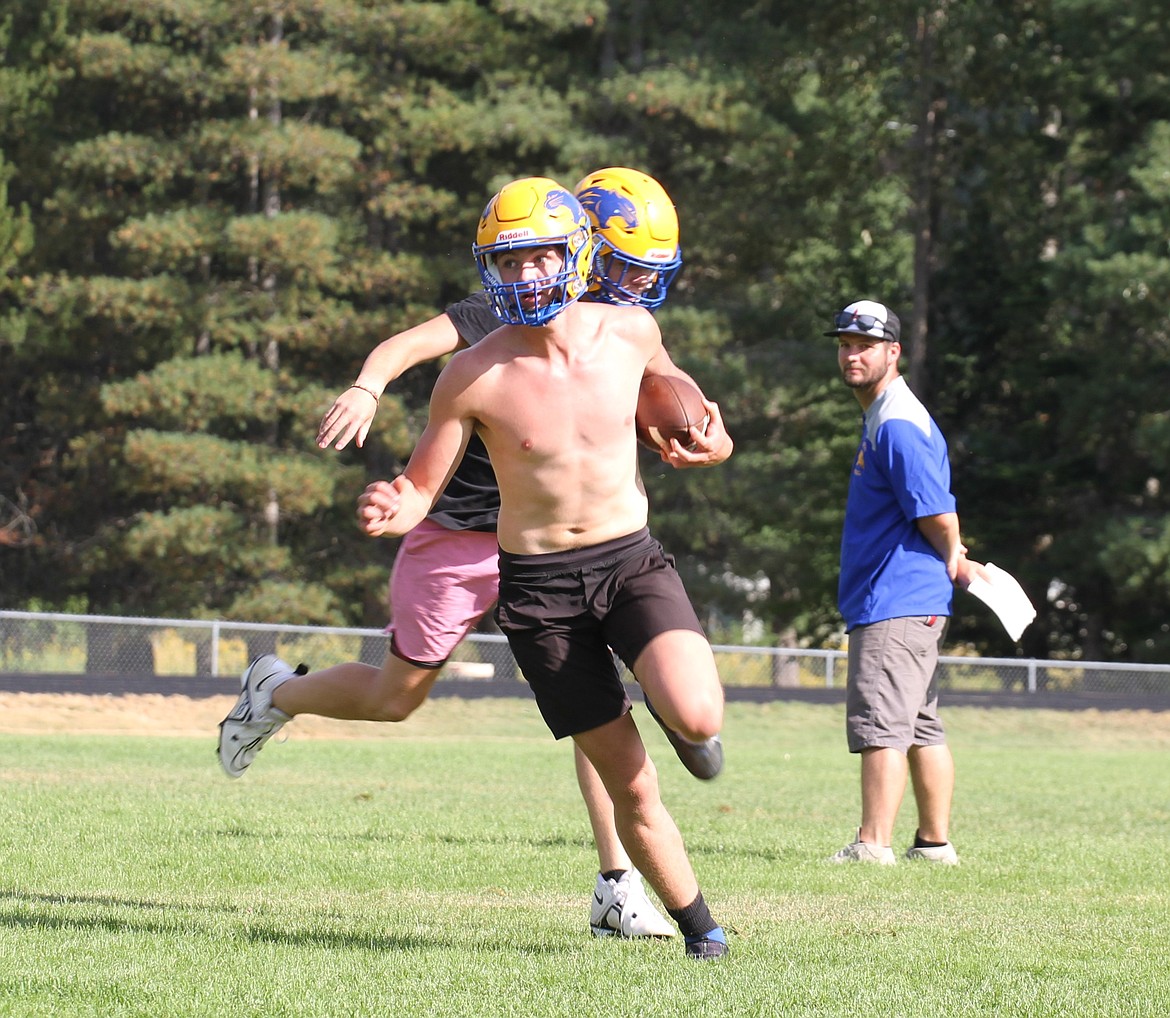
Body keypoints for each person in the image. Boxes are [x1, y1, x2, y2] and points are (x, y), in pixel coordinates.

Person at [218, 169, 732, 946]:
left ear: (577, 251)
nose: (630, 285)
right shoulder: (484, 346)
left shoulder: (621, 332)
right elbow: (408, 367)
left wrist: (706, 435)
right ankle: (277, 693)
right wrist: (369, 395)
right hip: (468, 537)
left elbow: (669, 399)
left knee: (626, 725)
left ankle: (619, 882)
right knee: (399, 699)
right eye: (625, 269)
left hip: (601, 549)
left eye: (636, 272)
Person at [826, 299, 988, 866]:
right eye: (845, 344)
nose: (852, 354)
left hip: (894, 599)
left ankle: (873, 844)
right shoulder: (885, 414)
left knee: (881, 724)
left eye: (864, 345)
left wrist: (955, 555)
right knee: (920, 723)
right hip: (907, 598)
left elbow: (936, 510)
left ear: (893, 352)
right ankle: (935, 844)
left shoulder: (896, 422)